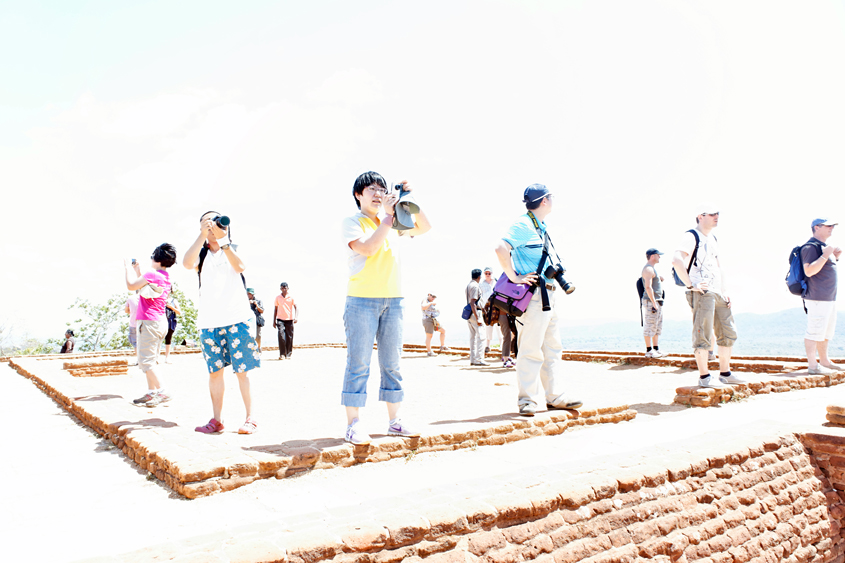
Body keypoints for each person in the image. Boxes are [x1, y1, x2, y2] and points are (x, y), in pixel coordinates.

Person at [341, 171, 431, 445]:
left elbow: (424, 227)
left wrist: (409, 198)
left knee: (392, 363)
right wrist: (389, 218)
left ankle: (395, 422)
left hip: (394, 300)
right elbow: (368, 249)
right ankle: (353, 424)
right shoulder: (353, 222)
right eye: (371, 189)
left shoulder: (391, 220)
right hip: (361, 301)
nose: (378, 193)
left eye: (382, 188)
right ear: (359, 194)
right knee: (359, 363)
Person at [493, 184, 582, 416]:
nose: (552, 200)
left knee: (552, 348)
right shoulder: (523, 224)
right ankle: (527, 401)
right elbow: (500, 248)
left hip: (548, 295)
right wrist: (515, 277)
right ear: (544, 201)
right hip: (533, 296)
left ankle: (555, 397)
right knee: (530, 349)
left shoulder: (539, 226)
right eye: (550, 197)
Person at [183, 211, 259, 435]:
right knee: (214, 372)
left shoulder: (232, 249)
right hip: (209, 322)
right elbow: (187, 263)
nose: (213, 226)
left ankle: (250, 418)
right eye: (207, 222)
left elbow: (240, 266)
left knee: (242, 371)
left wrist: (223, 240)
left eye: (215, 221)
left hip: (237, 319)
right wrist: (202, 235)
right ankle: (217, 420)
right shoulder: (202, 255)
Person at [671, 204, 744, 388]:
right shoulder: (691, 235)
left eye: (717, 213)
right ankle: (704, 377)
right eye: (712, 214)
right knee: (702, 334)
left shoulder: (713, 238)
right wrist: (691, 284)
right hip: (702, 292)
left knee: (728, 332)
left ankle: (725, 374)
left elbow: (719, 267)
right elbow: (676, 259)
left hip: (718, 292)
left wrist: (725, 290)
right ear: (700, 216)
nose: (716, 216)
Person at [124, 243, 177, 406]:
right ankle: (151, 393)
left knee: (145, 361)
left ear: (157, 258)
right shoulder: (164, 277)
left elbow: (131, 286)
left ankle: (162, 391)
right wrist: (137, 270)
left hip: (148, 322)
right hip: (160, 322)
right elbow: (146, 288)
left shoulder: (152, 275)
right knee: (151, 360)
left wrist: (126, 268)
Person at [802, 218, 842, 375]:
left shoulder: (824, 248)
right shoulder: (811, 247)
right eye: (828, 225)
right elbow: (809, 271)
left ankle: (824, 361)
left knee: (825, 331)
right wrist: (826, 255)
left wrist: (835, 257)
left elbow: (824, 270)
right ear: (816, 228)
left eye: (832, 226)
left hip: (828, 297)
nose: (832, 228)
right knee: (814, 331)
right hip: (817, 298)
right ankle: (813, 365)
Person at [641, 248, 666, 359]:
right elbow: (648, 287)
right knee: (649, 325)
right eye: (658, 255)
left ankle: (656, 349)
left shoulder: (652, 270)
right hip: (652, 301)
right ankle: (649, 351)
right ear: (652, 256)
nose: (659, 257)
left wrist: (659, 279)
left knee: (656, 326)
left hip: (657, 301)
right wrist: (653, 302)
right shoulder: (648, 269)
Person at [465, 269, 488, 366]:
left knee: (473, 337)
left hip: (469, 314)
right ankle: (479, 359)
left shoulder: (468, 285)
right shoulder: (474, 286)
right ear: (479, 277)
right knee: (481, 337)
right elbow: (473, 302)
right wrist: (478, 317)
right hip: (475, 313)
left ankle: (473, 359)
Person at [273, 282, 297, 360]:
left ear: (287, 288)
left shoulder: (291, 297)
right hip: (280, 319)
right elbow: (275, 309)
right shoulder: (277, 298)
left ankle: (288, 354)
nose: (284, 289)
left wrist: (296, 317)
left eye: (285, 288)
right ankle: (282, 354)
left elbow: (296, 307)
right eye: (282, 288)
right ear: (280, 289)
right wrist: (274, 321)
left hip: (289, 319)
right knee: (281, 335)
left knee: (289, 337)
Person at [479, 267, 499, 354]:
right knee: (488, 327)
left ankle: (502, 345)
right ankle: (487, 345)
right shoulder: (481, 284)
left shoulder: (496, 282)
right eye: (486, 273)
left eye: (489, 273)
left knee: (499, 327)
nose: (487, 275)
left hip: (497, 307)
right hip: (487, 308)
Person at [164, 295, 181, 363]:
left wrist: (171, 307)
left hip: (170, 321)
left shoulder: (173, 300)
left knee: (168, 339)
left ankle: (167, 357)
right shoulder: (159, 299)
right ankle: (156, 357)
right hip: (160, 321)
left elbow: (179, 312)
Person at [247, 288, 265, 353]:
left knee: (258, 335)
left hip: (257, 319)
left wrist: (256, 305)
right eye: (247, 294)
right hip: (248, 320)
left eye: (249, 294)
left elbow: (262, 311)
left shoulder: (258, 301)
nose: (248, 295)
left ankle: (259, 347)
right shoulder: (244, 302)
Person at [124, 291, 140, 355]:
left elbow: (126, 310)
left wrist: (133, 313)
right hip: (144, 323)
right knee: (145, 342)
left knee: (135, 343)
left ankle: (138, 360)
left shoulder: (130, 298)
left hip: (133, 323)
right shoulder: (145, 298)